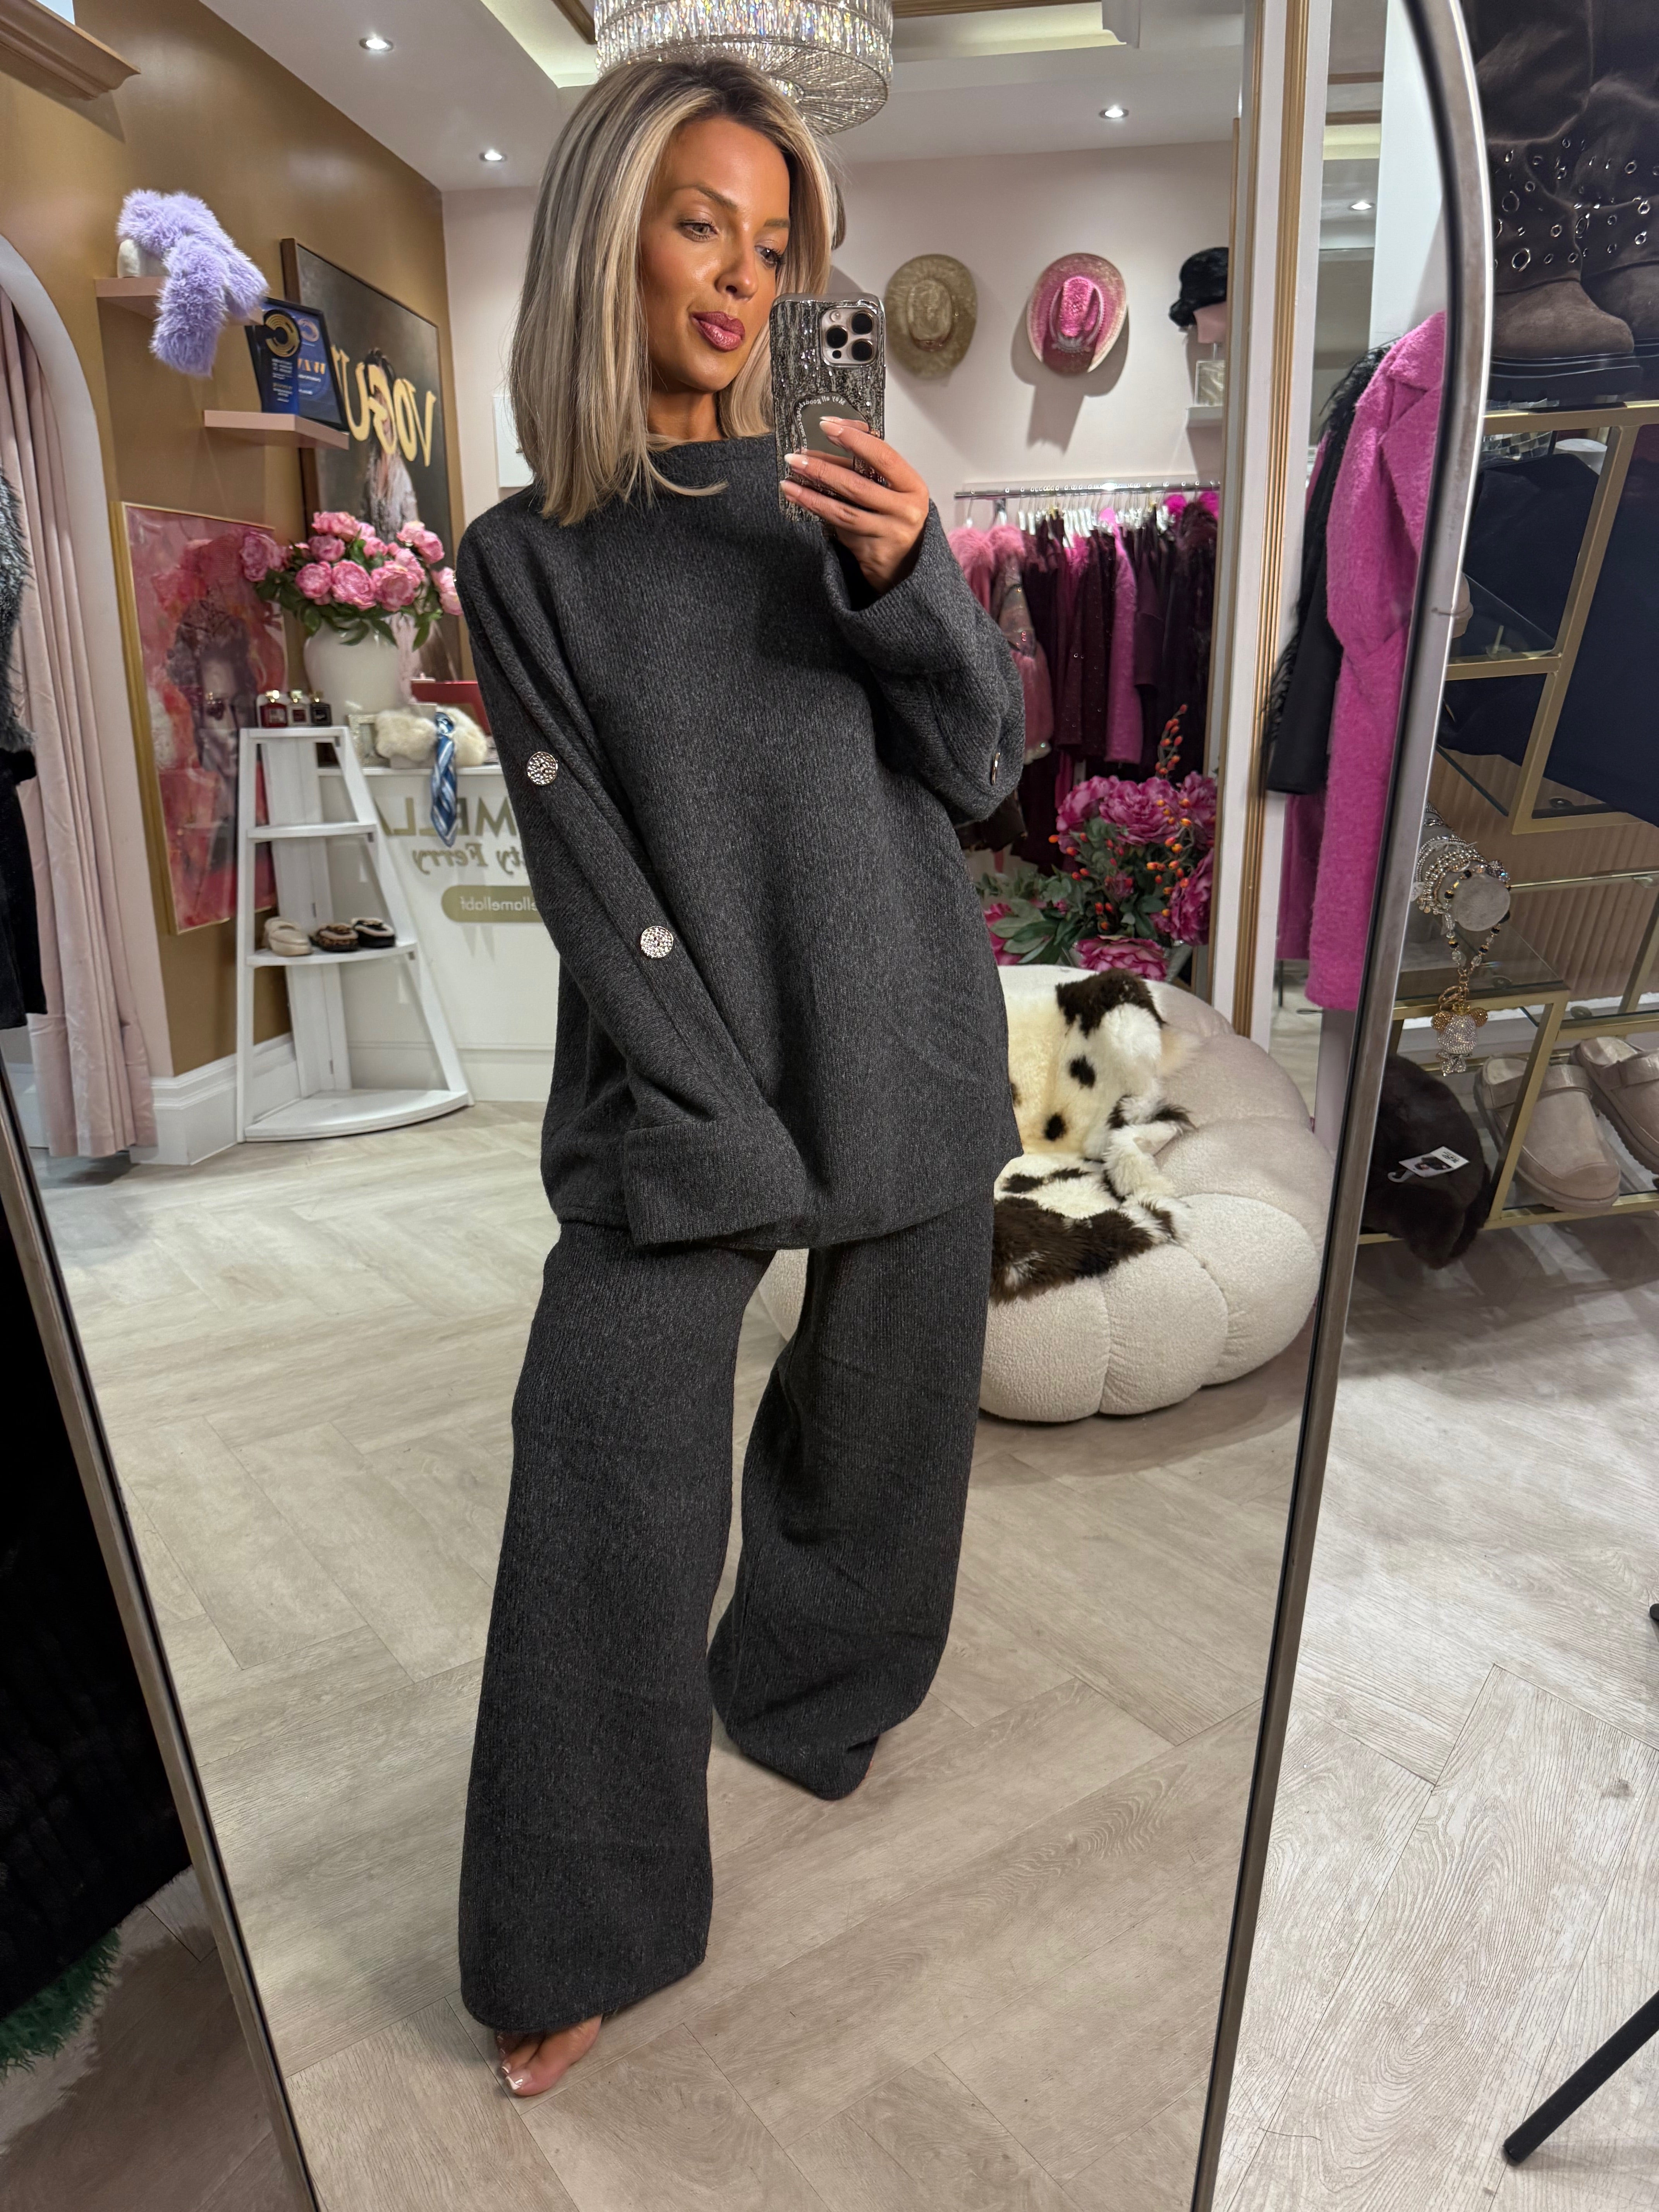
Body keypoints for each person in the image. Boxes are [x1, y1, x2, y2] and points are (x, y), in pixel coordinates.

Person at [455, 52, 1024, 2097]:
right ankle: (576, 1920)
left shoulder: (836, 498)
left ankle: (809, 1694)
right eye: (703, 223)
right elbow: (587, 869)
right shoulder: (525, 558)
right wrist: (704, 1100)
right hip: (678, 1068)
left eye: (776, 246)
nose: (740, 277)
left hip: (903, 1025)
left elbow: (981, 768)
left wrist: (910, 574)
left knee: (886, 1436)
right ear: (611, 234)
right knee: (599, 1460)